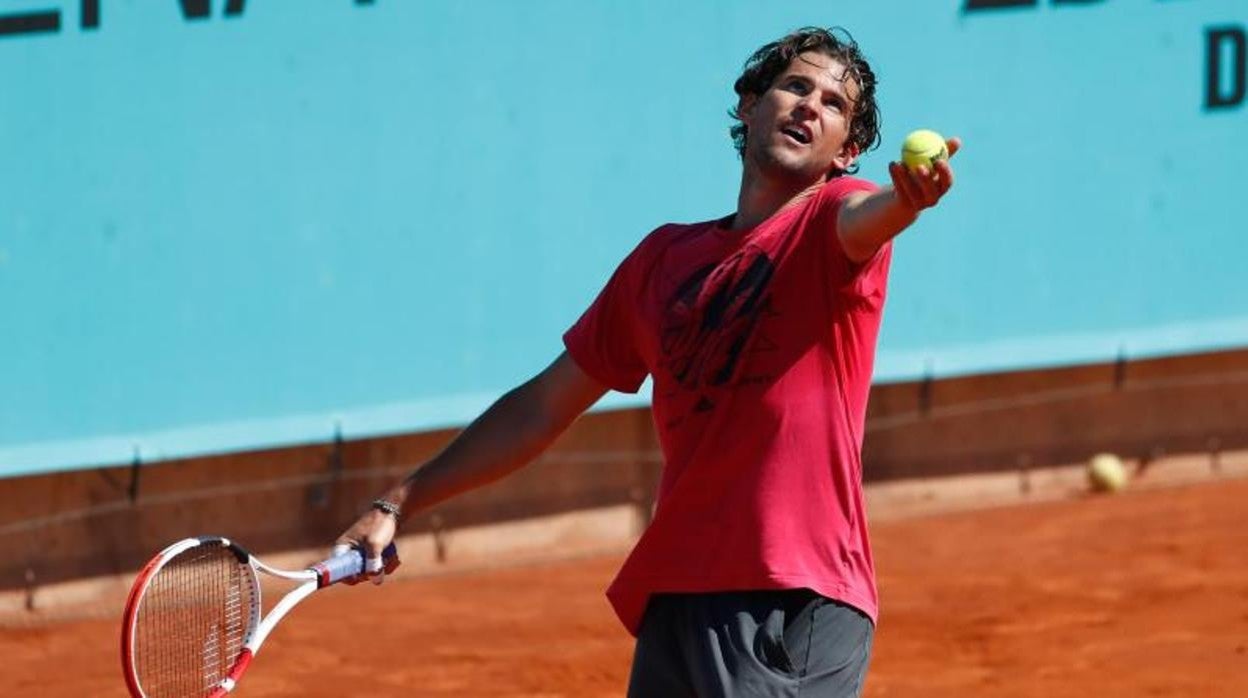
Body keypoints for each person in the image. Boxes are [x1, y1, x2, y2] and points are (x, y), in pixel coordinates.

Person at [335, 26, 959, 697]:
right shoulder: (663, 262)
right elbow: (544, 406)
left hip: (793, 596)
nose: (811, 105)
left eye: (834, 104)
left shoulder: (834, 222)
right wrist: (399, 501)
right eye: (795, 86)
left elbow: (871, 218)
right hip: (678, 597)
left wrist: (906, 203)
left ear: (848, 153)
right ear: (749, 104)